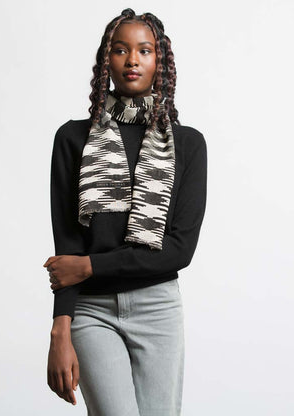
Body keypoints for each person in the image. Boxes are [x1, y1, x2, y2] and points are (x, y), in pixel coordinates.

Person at [43, 8, 207, 416]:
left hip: (157, 309)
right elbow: (68, 247)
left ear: (160, 61)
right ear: (106, 60)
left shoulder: (187, 145)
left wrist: (90, 266)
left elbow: (178, 251)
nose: (132, 60)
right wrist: (60, 329)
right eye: (120, 50)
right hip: (91, 310)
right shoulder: (73, 138)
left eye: (144, 50)